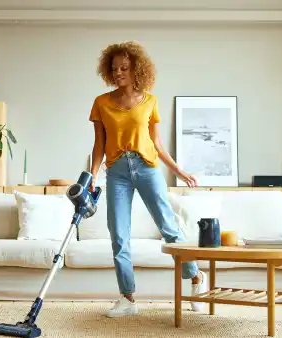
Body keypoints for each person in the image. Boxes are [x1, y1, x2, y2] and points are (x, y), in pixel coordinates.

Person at [88, 41, 208, 318]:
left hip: (146, 167)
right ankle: (128, 298)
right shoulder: (101, 103)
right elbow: (98, 145)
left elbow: (157, 143)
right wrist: (92, 177)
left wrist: (178, 170)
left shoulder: (150, 101)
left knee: (169, 227)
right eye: (115, 68)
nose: (119, 73)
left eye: (125, 68)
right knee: (118, 234)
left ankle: (195, 278)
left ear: (136, 69)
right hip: (116, 170)